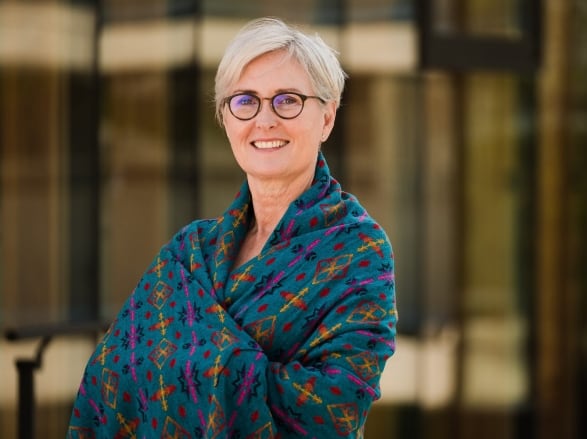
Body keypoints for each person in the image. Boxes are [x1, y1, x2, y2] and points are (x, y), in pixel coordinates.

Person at [67, 17, 397, 438]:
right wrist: (221, 370)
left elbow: (336, 406)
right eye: (245, 101)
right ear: (226, 119)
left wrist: (206, 367)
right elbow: (113, 372)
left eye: (288, 100)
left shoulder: (358, 250)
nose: (265, 120)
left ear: (327, 118)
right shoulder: (190, 253)